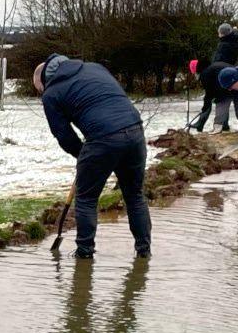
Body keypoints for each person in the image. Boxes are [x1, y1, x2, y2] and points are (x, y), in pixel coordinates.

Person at [33, 54, 152, 260]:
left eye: (40, 89)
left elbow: (63, 135)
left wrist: (82, 156)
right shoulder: (95, 67)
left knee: (86, 198)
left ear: (44, 80)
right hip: (135, 131)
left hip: (102, 138)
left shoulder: (51, 94)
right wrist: (86, 157)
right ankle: (144, 251)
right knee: (134, 195)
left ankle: (84, 254)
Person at [189, 58, 238, 132]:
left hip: (229, 84)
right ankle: (235, 125)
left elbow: (209, 93)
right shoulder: (212, 68)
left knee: (221, 102)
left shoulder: (205, 73)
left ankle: (205, 124)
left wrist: (205, 107)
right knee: (233, 103)